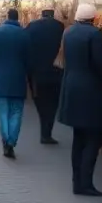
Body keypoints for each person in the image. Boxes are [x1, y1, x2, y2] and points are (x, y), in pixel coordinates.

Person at [58, 3, 102, 197]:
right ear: (93, 18)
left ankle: (77, 181)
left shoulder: (69, 32)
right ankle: (86, 183)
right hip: (89, 91)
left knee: (78, 138)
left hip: (71, 87)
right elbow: (100, 64)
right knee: (93, 138)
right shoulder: (94, 35)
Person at [0, 8, 30, 159]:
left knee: (3, 112)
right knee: (16, 112)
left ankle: (6, 141)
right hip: (18, 79)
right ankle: (12, 141)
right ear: (18, 19)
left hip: (1, 78)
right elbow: (29, 60)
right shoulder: (25, 35)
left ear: (6, 17)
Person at [25, 9, 65, 144]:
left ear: (41, 15)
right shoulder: (60, 26)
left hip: (36, 73)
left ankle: (44, 130)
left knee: (40, 102)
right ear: (53, 15)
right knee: (53, 103)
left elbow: (27, 48)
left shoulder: (32, 26)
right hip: (56, 71)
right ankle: (47, 132)